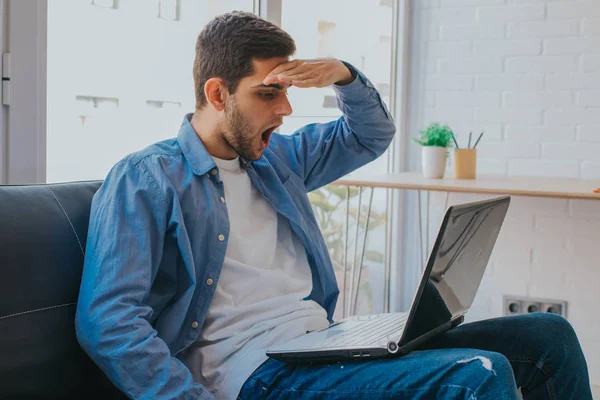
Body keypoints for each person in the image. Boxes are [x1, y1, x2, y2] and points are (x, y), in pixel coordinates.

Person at [75, 11, 593, 400]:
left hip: (321, 345)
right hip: (255, 373)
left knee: (548, 336)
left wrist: (344, 74)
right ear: (217, 93)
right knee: (480, 374)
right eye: (268, 93)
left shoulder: (276, 160)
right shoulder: (145, 178)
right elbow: (109, 322)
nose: (285, 108)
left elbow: (370, 134)